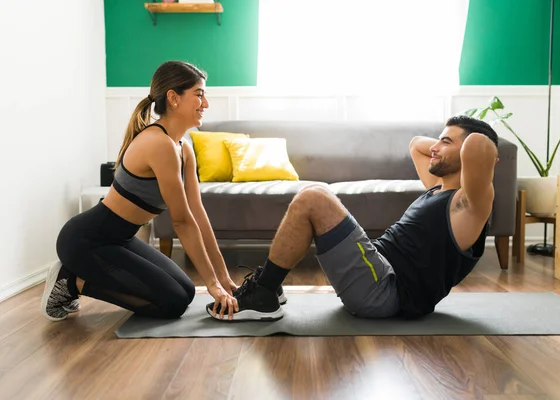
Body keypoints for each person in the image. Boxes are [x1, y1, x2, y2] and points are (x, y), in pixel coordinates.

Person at [207, 115, 499, 321]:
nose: (434, 147)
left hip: (387, 290)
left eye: (445, 141)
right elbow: (415, 144)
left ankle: (263, 295)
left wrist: (477, 145)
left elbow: (477, 146)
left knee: (315, 197)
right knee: (315, 194)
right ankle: (269, 286)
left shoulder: (470, 205)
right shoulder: (437, 189)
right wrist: (447, 142)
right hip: (377, 272)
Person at [41, 61, 240, 322]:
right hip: (87, 241)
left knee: (187, 290)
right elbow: (181, 221)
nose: (206, 103)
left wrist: (223, 279)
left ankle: (74, 278)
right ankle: (70, 282)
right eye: (199, 94)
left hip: (120, 240)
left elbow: (197, 215)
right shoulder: (159, 144)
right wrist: (212, 284)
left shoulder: (183, 149)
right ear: (173, 98)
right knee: (173, 302)